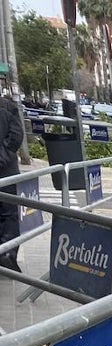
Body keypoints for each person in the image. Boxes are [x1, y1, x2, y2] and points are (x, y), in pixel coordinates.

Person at [0, 90, 25, 271]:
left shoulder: (7, 107)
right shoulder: (8, 106)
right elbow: (16, 136)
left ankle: (7, 254)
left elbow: (16, 137)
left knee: (8, 213)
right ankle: (7, 254)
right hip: (7, 169)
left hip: (6, 170)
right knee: (9, 214)